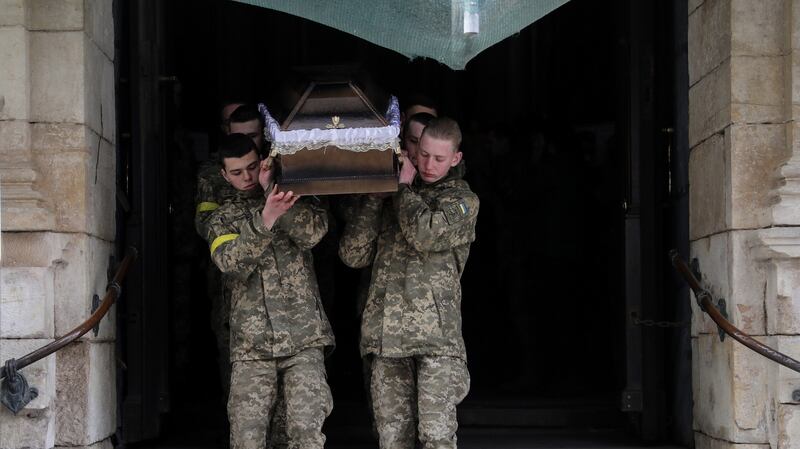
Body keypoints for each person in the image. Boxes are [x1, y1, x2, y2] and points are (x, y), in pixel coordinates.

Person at [339, 117, 478, 449]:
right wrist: (375, 198)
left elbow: (423, 233)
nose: (428, 165)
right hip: (387, 338)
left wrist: (401, 188)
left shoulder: (462, 200)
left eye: (439, 159)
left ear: (456, 158)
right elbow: (352, 255)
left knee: (436, 436)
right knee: (392, 439)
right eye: (423, 154)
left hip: (436, 341)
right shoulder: (394, 195)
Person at [206, 133, 334, 449]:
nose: (247, 177)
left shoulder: (292, 196)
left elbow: (314, 234)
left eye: (252, 167)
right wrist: (265, 220)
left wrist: (271, 195)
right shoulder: (221, 218)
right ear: (224, 175)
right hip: (252, 348)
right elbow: (231, 263)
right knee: (248, 439)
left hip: (303, 339)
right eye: (236, 172)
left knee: (306, 434)